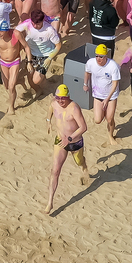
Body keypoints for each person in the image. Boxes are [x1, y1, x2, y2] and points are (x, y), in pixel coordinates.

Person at [45, 84, 91, 215]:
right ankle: (50, 202)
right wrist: (48, 120)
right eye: (58, 97)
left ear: (68, 97)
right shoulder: (54, 103)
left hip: (74, 141)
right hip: (60, 141)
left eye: (62, 98)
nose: (60, 100)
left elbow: (83, 127)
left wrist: (69, 139)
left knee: (79, 161)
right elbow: (50, 107)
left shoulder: (74, 108)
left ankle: (84, 167)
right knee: (55, 170)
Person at [84, 44, 122, 141]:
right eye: (97, 55)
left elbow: (115, 84)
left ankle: (110, 135)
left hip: (111, 96)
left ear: (106, 56)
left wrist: (107, 99)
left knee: (109, 119)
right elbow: (87, 72)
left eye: (101, 56)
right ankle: (105, 113)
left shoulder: (113, 66)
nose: (98, 58)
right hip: (98, 95)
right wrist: (85, 84)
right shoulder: (91, 63)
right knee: (97, 120)